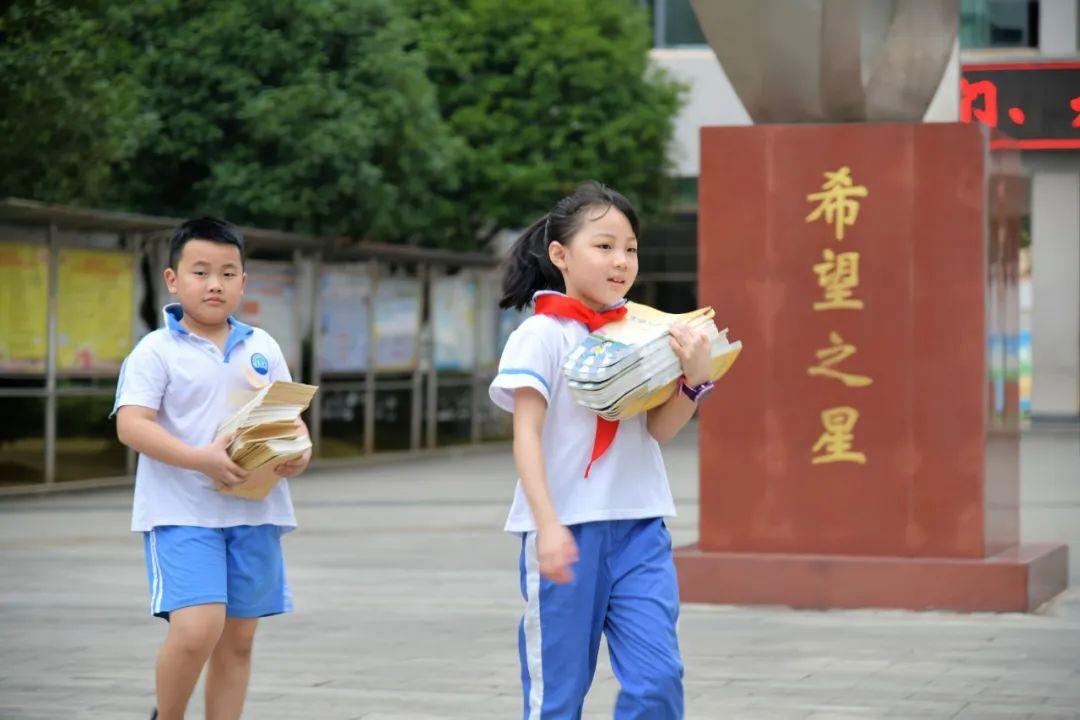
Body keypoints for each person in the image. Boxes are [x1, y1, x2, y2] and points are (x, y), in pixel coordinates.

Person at [489, 182, 715, 718]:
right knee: (559, 697)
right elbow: (526, 435)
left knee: (658, 679)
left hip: (640, 526)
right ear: (560, 255)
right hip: (568, 529)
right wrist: (546, 526)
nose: (621, 261)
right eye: (605, 245)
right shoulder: (539, 335)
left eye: (630, 248)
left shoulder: (643, 330)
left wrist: (694, 382)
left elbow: (657, 431)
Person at [112, 217, 310, 720]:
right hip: (181, 513)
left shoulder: (262, 345)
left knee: (238, 638)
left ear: (243, 281)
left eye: (227, 272)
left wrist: (298, 452)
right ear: (173, 280)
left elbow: (289, 420)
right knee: (197, 629)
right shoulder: (155, 351)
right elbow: (132, 426)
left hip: (255, 512)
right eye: (200, 271)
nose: (214, 283)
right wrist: (201, 459)